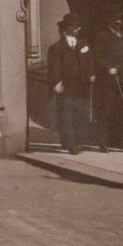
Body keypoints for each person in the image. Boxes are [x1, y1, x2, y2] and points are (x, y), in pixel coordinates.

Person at [47, 12, 94, 155]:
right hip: (66, 85)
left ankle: (78, 141)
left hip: (81, 85)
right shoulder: (57, 47)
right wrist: (57, 83)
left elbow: (89, 61)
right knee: (66, 115)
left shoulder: (83, 44)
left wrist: (91, 74)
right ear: (66, 29)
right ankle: (70, 144)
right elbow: (54, 67)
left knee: (80, 113)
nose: (78, 29)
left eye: (78, 26)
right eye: (75, 26)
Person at [92, 15, 123, 152]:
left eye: (120, 20)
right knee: (107, 111)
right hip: (109, 81)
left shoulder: (122, 36)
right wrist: (108, 67)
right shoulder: (102, 36)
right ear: (110, 21)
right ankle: (103, 142)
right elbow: (97, 56)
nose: (119, 22)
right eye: (116, 19)